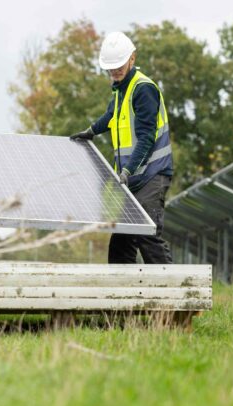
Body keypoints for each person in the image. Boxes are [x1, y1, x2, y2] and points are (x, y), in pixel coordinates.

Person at [70, 32, 173, 264]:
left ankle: (173, 295)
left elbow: (147, 137)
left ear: (132, 59)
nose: (114, 71)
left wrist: (127, 170)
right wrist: (91, 131)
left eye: (118, 65)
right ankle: (124, 298)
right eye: (110, 67)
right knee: (121, 242)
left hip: (151, 175)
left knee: (147, 235)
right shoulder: (120, 89)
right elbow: (111, 116)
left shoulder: (143, 89)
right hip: (132, 178)